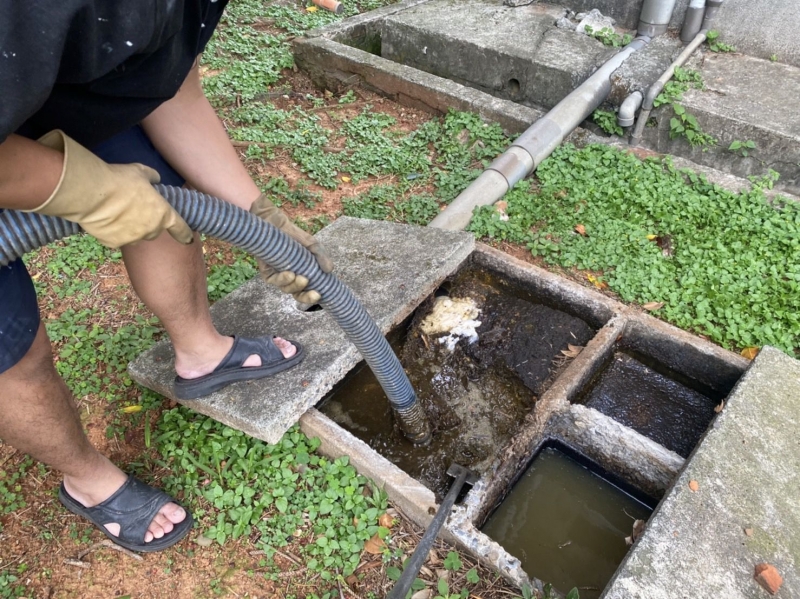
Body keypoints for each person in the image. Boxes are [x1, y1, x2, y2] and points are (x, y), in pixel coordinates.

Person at [0, 1, 333, 552]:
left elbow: (170, 87)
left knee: (161, 202)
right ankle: (86, 480)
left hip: (39, 100)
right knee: (10, 350)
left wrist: (257, 215)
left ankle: (201, 351)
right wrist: (91, 190)